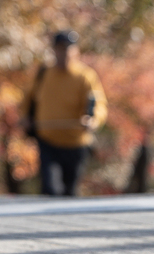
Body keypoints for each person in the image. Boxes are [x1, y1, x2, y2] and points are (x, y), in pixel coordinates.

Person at [21, 30, 108, 197]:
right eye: (60, 49)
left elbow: (99, 103)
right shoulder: (43, 74)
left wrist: (93, 120)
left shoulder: (85, 76)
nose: (64, 53)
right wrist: (25, 117)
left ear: (76, 51)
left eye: (68, 49)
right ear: (53, 50)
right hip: (48, 140)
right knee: (50, 190)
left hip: (76, 143)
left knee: (70, 192)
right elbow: (28, 99)